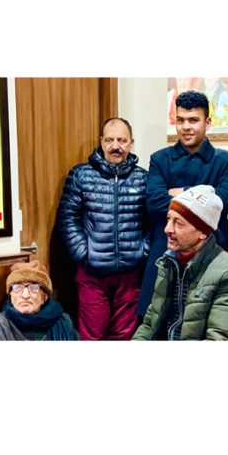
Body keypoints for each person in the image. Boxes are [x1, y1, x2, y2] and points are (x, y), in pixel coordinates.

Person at [140, 91, 228, 319]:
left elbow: (225, 201)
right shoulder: (160, 159)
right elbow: (155, 202)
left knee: (205, 322)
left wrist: (178, 193)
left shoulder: (226, 161)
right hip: (165, 251)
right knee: (158, 323)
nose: (186, 127)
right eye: (181, 120)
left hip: (210, 253)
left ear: (207, 123)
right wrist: (206, 194)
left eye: (193, 120)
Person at [57, 117, 148, 340]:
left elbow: (153, 222)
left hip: (130, 274)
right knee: (93, 336)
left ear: (131, 142)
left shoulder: (143, 178)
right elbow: (68, 219)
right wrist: (84, 254)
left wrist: (142, 250)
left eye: (121, 140)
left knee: (124, 337)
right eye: (109, 140)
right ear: (101, 141)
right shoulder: (81, 175)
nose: (115, 146)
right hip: (92, 274)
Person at [133, 185, 228, 340]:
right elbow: (150, 325)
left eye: (179, 223)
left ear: (202, 232)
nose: (167, 229)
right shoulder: (168, 262)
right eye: (169, 219)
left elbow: (221, 340)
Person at [0, 261, 79, 340]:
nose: (25, 295)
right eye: (17, 288)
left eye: (34, 288)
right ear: (11, 295)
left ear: (45, 296)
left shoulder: (63, 323)